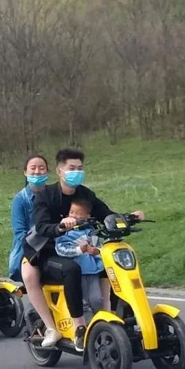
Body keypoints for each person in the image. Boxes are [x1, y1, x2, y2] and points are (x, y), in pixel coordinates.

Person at [28, 148, 144, 352]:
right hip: (50, 250)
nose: (77, 172)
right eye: (72, 168)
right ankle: (80, 327)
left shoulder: (85, 194)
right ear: (59, 171)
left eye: (80, 168)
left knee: (110, 261)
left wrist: (129, 217)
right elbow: (42, 226)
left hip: (82, 248)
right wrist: (61, 226)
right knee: (71, 269)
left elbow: (105, 214)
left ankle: (114, 313)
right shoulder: (45, 196)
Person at [10, 155, 60, 345]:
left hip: (58, 245)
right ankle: (50, 327)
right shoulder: (20, 200)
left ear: (48, 171)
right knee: (31, 276)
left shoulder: (55, 194)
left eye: (41, 168)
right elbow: (20, 233)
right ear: (26, 172)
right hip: (31, 249)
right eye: (33, 168)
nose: (37, 172)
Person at [54, 199, 111, 314]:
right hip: (78, 272)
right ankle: (86, 320)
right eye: (71, 212)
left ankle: (99, 318)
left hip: (93, 271)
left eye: (78, 213)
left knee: (97, 299)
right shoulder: (66, 232)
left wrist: (97, 252)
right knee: (83, 300)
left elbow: (101, 246)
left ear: (87, 216)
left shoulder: (92, 231)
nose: (73, 216)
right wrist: (78, 250)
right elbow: (60, 249)